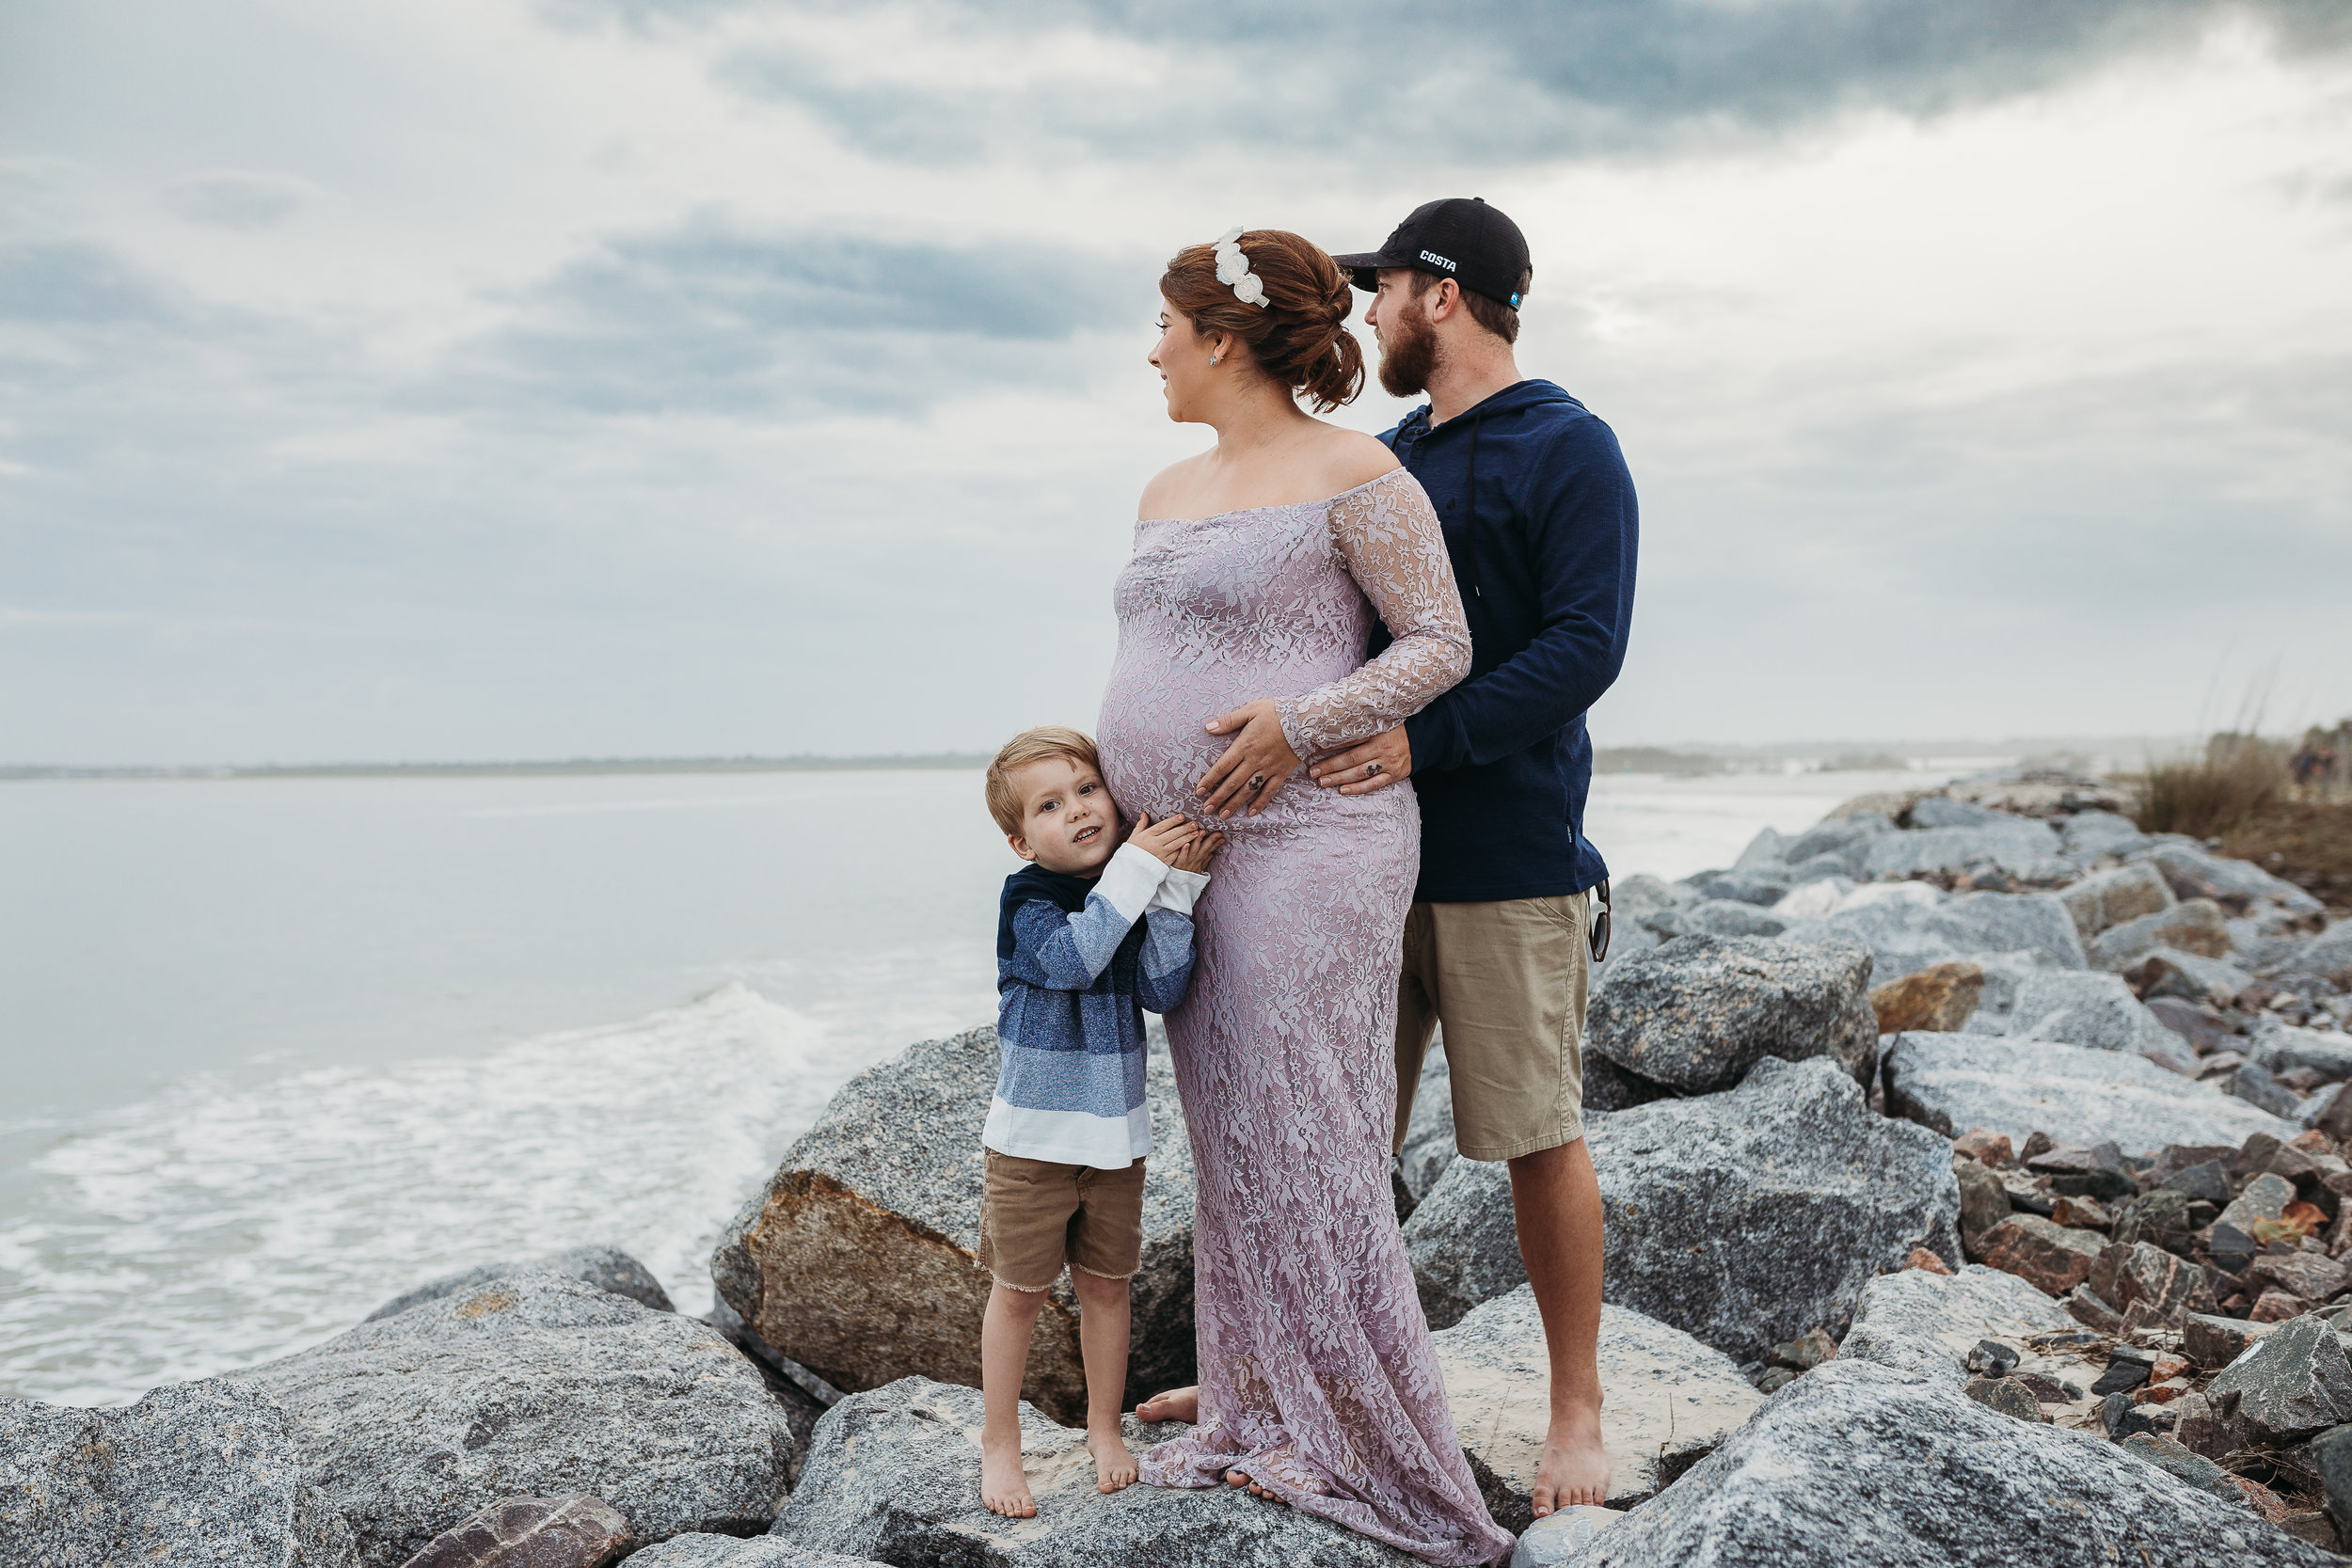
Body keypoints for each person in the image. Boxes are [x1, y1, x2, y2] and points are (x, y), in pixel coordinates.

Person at [1104, 228, 1516, 1565]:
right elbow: (1162, 653)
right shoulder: (1168, 484)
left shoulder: (1355, 467)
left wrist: (1299, 719)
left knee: (1312, 1132)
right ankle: (1258, 1406)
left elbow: (1443, 644)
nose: (1151, 346)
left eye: (1166, 324)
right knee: (1231, 1137)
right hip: (1181, 857)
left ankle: (1386, 1456)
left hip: (1314, 839)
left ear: (1221, 337)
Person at [1309, 198, 1638, 1519]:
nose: (1366, 313)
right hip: (1361, 856)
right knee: (1338, 1138)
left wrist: (1424, 740)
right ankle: (1308, 1374)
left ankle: (1578, 1405)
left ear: (1439, 294)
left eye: (1379, 288)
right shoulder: (1383, 454)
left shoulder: (1571, 446)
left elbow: (1585, 645)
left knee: (1535, 1136)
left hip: (1508, 853)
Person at [976, 726, 1222, 1519]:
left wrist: (1177, 892)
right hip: (1032, 1146)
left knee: (1108, 1290)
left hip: (1114, 1143)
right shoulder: (1031, 900)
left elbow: (1163, 987)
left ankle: (1103, 1427)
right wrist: (1143, 867)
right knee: (1018, 1294)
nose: (1079, 810)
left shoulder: (1128, 889)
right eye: (1051, 805)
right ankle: (999, 1439)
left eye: (1088, 789)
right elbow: (1073, 961)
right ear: (1021, 838)